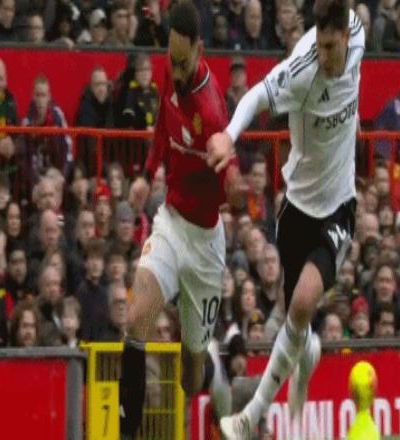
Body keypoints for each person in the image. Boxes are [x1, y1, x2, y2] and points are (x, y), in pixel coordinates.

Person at [208, 0, 365, 435]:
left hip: (339, 206)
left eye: (332, 47)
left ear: (346, 36)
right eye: (322, 46)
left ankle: (249, 417)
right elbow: (257, 95)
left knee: (300, 305)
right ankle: (307, 356)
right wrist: (229, 135)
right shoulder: (302, 68)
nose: (327, 56)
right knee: (297, 325)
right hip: (296, 206)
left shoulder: (358, 33)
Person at [118, 2, 245, 438]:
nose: (175, 70)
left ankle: (214, 372)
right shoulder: (168, 73)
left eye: (183, 62)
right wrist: (145, 174)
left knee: (190, 379)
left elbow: (230, 172)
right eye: (171, 60)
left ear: (200, 51)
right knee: (137, 317)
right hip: (171, 223)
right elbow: (161, 128)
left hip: (205, 246)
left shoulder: (211, 110)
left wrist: (236, 190)